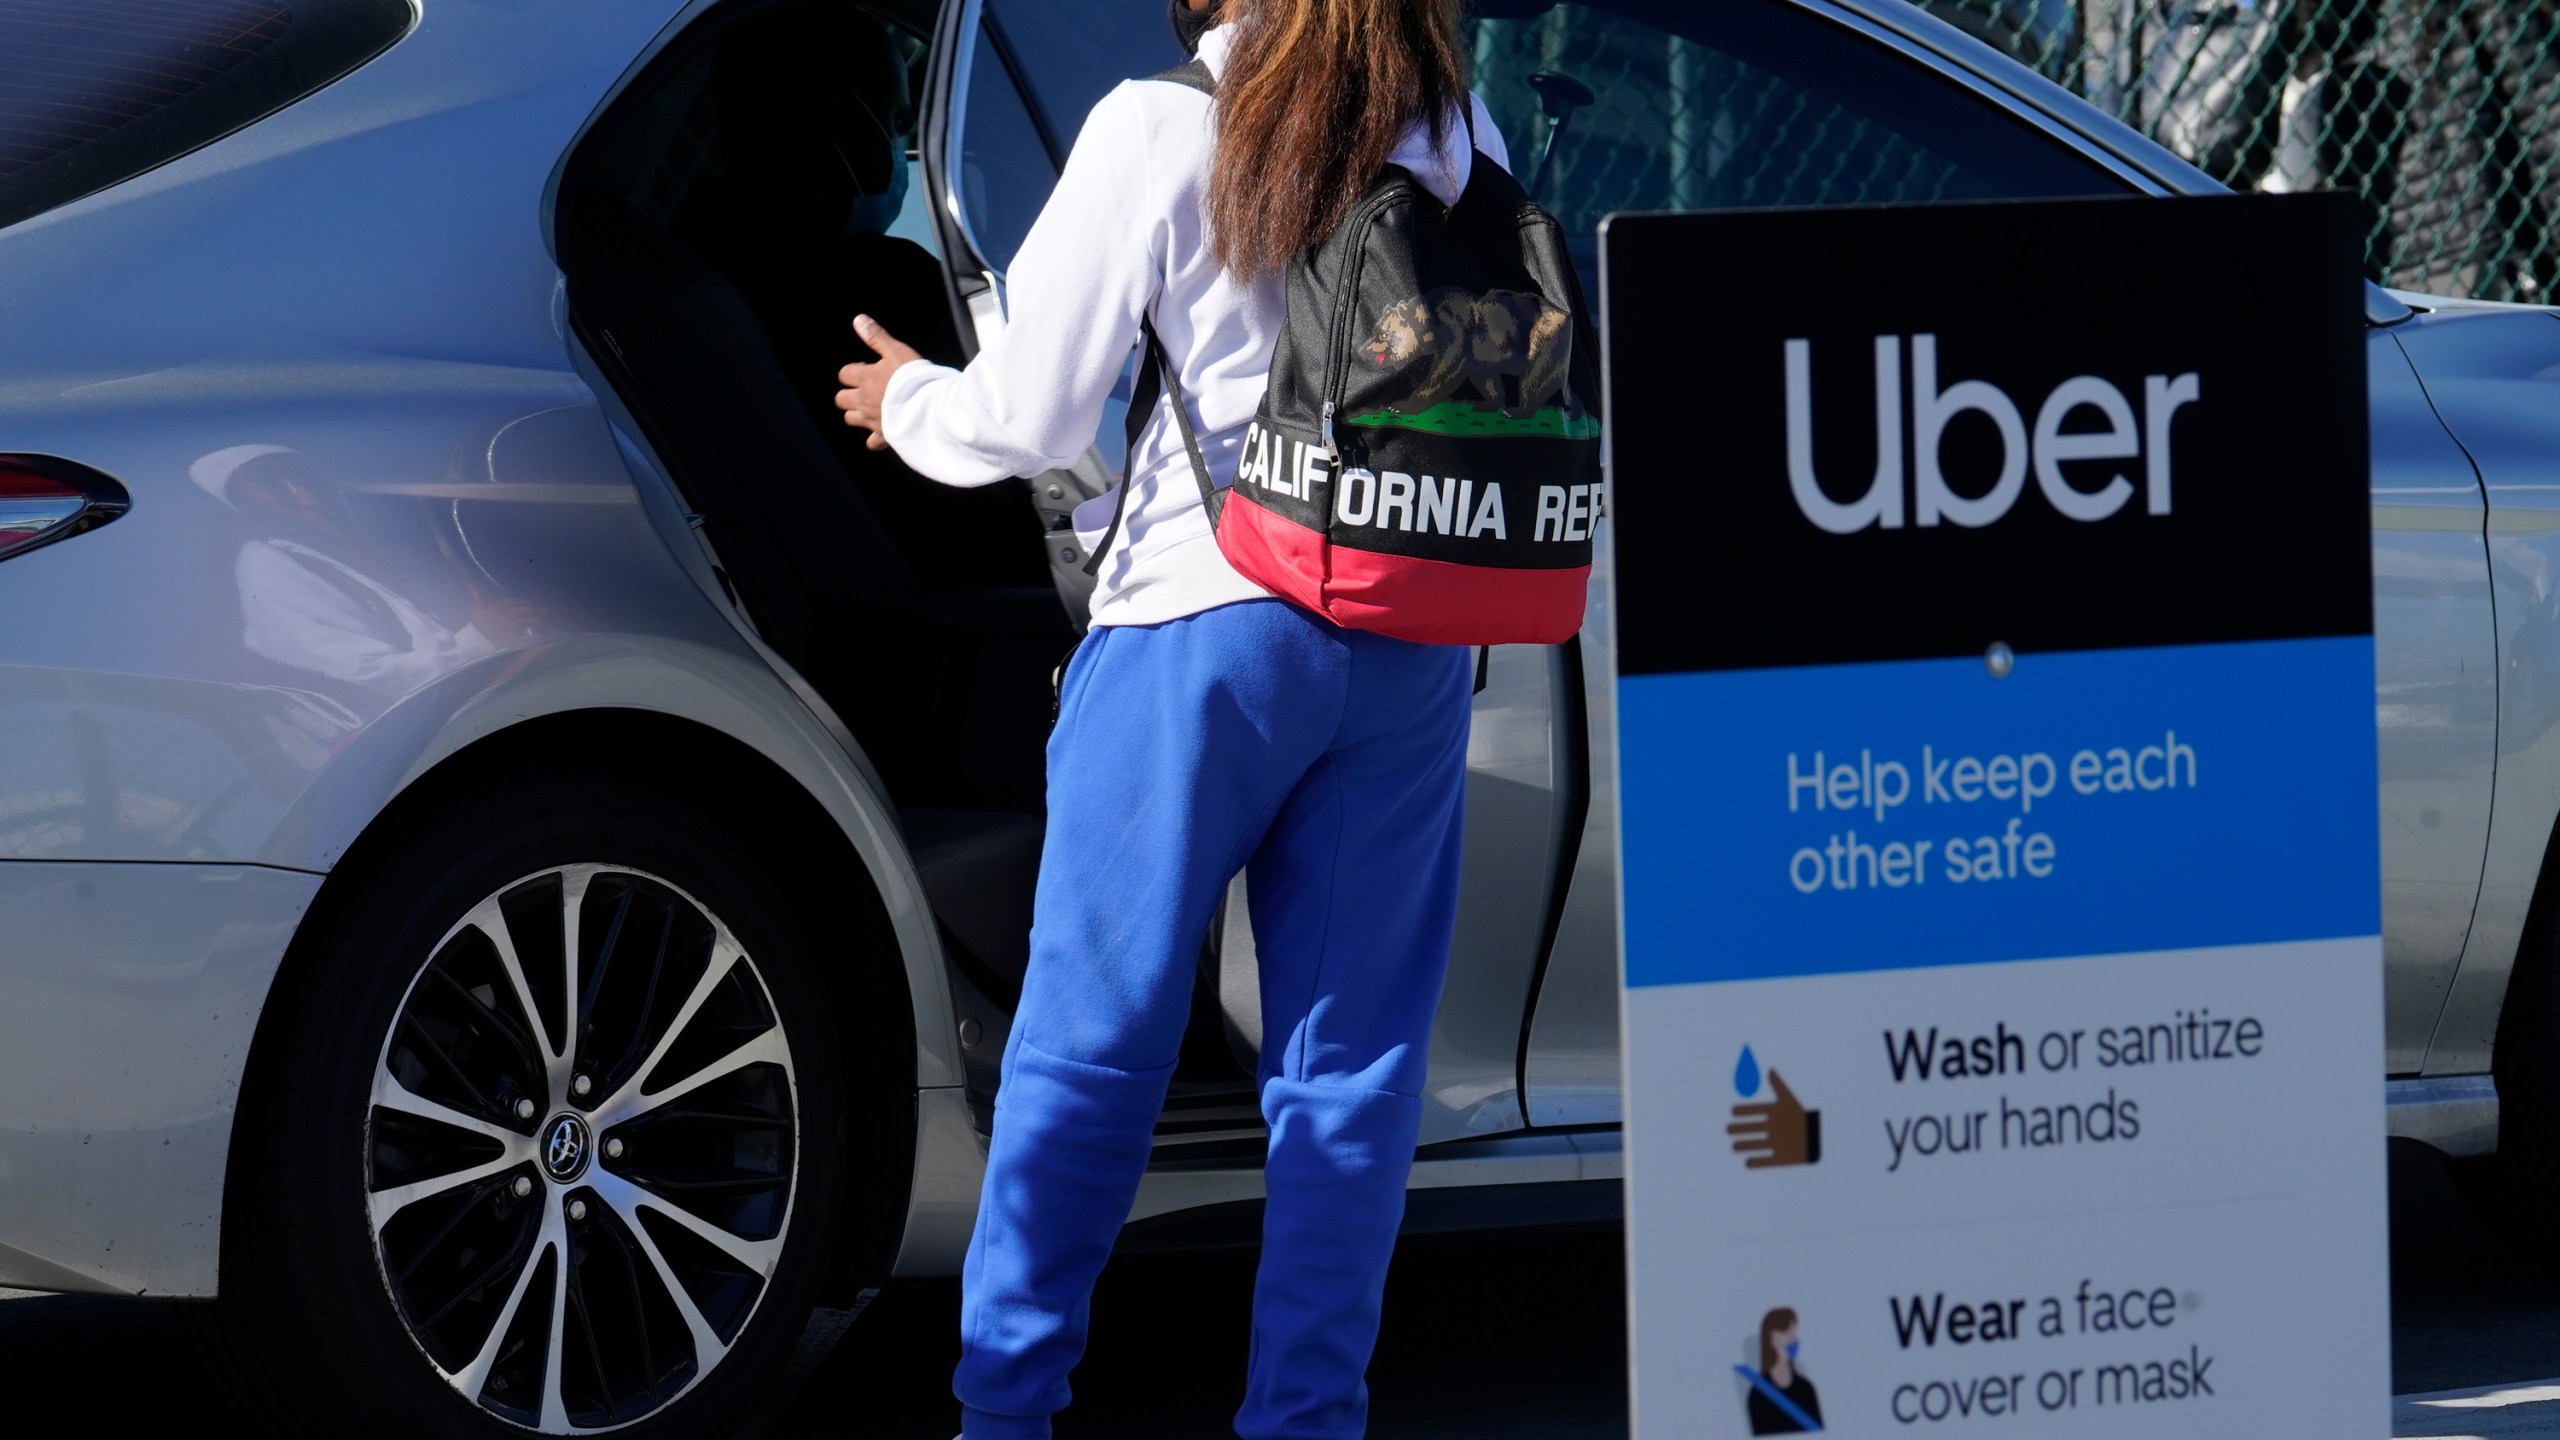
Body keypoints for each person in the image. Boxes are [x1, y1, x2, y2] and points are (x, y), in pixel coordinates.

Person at [834, 2, 1506, 1436]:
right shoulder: (1457, 133)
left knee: (1091, 1047)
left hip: (1205, 629)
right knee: (1348, 1075)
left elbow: (1031, 421)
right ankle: (1307, 1418)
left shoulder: (1156, 129)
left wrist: (905, 402)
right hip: (1406, 642)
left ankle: (1008, 1413)